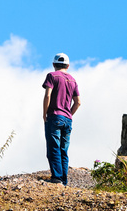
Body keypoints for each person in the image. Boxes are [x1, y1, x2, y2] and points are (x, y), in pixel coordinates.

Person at [42, 53, 81, 186]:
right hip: (67, 119)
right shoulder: (73, 80)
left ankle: (57, 178)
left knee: (54, 148)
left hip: (54, 116)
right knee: (64, 150)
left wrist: (44, 113)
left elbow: (48, 95)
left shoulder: (52, 76)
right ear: (68, 66)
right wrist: (69, 114)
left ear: (53, 64)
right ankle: (64, 180)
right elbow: (78, 102)